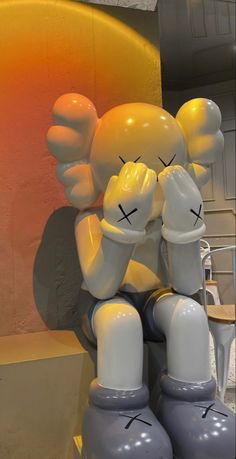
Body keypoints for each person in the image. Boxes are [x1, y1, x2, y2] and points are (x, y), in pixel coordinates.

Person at [47, 94, 235, 459]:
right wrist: (119, 226)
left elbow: (187, 286)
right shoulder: (90, 221)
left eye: (163, 165)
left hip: (156, 299)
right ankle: (116, 415)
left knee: (190, 313)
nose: (146, 179)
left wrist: (184, 231)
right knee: (121, 321)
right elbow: (102, 285)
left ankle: (190, 404)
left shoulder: (164, 220)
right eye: (130, 166)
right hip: (103, 306)